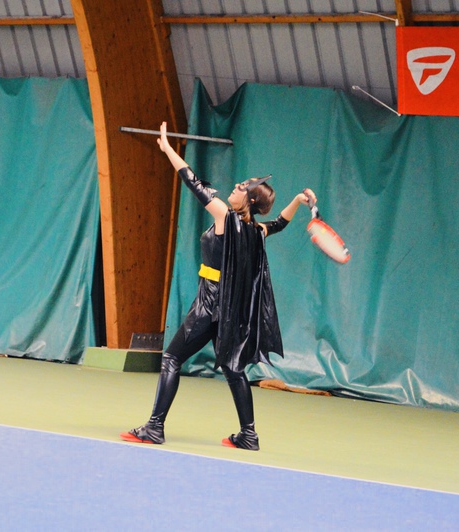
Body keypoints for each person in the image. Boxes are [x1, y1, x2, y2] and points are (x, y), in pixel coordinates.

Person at [120, 122, 316, 451]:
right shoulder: (256, 231)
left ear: (248, 200)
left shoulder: (225, 216)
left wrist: (167, 149)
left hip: (209, 304)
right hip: (229, 312)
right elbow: (279, 223)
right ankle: (248, 435)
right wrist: (297, 199)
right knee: (233, 368)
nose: (234, 188)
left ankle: (154, 427)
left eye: (240, 188)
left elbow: (193, 181)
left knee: (171, 358)